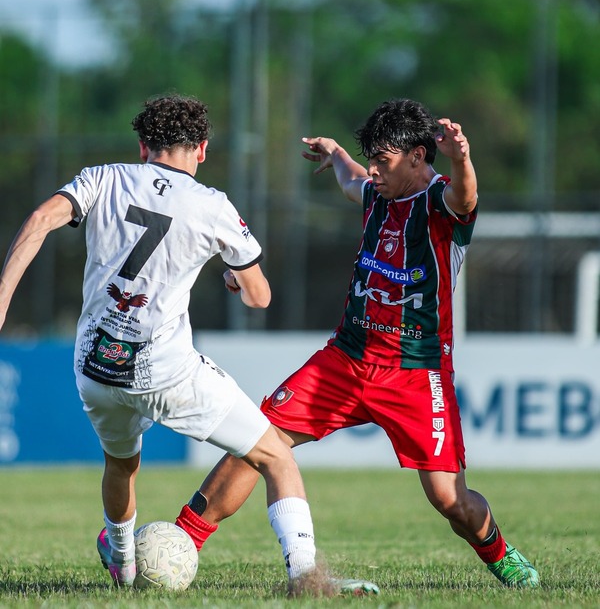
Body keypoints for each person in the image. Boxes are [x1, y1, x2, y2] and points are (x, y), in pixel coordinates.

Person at [175, 98, 540, 590]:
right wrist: (337, 155)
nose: (373, 171)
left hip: (416, 372)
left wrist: (462, 159)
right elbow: (352, 180)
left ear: (417, 156)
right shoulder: (376, 192)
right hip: (345, 359)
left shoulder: (439, 201)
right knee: (257, 440)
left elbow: (466, 196)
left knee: (449, 499)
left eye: (383, 161)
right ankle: (180, 542)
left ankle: (500, 554)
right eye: (371, 160)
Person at [0, 94, 324, 593]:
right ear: (202, 149)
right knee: (275, 456)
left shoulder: (102, 178)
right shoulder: (213, 205)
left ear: (142, 146)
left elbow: (41, 219)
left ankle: (125, 563)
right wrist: (234, 279)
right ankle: (305, 576)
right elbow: (259, 297)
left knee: (121, 465)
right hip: (167, 372)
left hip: (94, 367)